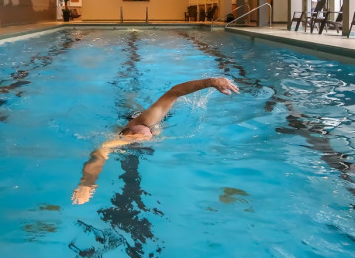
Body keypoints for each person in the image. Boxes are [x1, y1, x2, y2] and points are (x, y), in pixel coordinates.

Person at [71, 77, 239, 204]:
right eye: (138, 138)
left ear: (132, 128)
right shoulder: (124, 139)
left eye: (139, 135)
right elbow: (100, 154)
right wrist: (87, 184)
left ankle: (129, 96)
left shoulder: (145, 121)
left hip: (134, 115)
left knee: (131, 104)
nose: (143, 138)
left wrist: (211, 81)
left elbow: (175, 92)